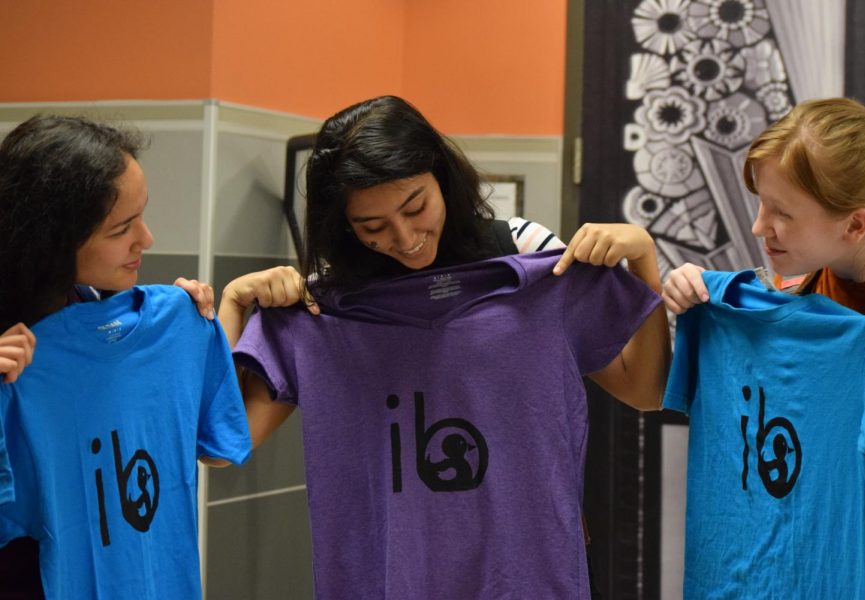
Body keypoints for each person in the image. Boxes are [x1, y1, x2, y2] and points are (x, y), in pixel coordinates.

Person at [219, 95, 669, 598]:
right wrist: (233, 308)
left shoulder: (529, 256)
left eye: (416, 207)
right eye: (373, 227)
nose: (405, 236)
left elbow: (646, 390)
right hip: (396, 578)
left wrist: (643, 260)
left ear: (441, 177)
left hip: (523, 575)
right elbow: (220, 447)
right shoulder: (326, 307)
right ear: (344, 224)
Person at [0, 114, 251, 599]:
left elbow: (214, 446)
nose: (147, 240)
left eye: (143, 215)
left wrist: (202, 324)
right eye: (122, 228)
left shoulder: (98, 307)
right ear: (54, 241)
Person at [662, 97, 865, 598]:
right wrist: (696, 296)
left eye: (781, 213)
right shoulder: (800, 296)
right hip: (813, 547)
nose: (758, 227)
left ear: (855, 225)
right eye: (761, 204)